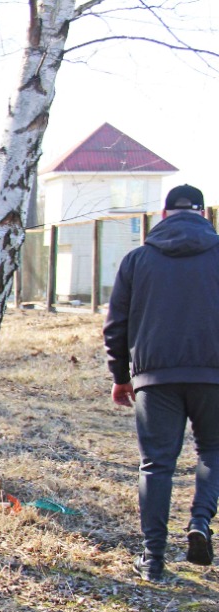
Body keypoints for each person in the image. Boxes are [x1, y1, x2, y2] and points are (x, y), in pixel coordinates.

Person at [104, 183, 219, 582]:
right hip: (214, 376)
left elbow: (116, 326)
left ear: (164, 214)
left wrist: (120, 377)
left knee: (156, 465)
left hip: (154, 378)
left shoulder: (138, 260)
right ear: (204, 214)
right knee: (213, 451)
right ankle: (200, 522)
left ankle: (153, 558)